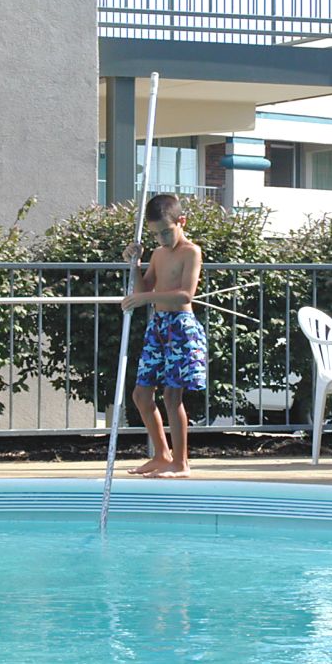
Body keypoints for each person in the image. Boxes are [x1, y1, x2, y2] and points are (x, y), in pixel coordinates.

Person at [121, 194, 207, 478]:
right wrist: (135, 264)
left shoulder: (191, 252)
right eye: (156, 234)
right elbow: (142, 288)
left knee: (172, 396)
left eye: (166, 232)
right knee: (141, 394)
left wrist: (145, 298)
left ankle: (181, 463)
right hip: (157, 326)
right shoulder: (158, 254)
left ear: (182, 221)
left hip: (181, 327)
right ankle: (161, 455)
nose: (162, 239)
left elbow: (186, 294)